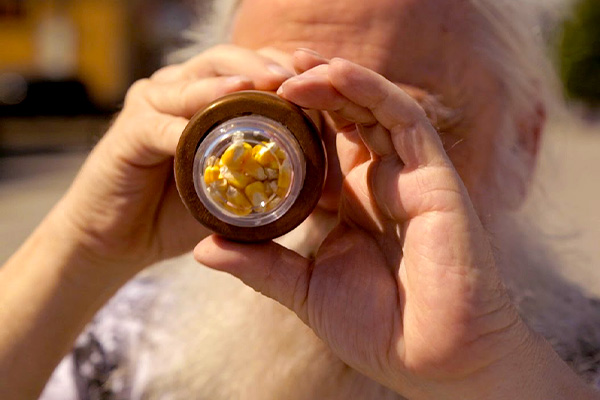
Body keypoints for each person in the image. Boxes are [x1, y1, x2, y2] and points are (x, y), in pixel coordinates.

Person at [1, 0, 600, 398]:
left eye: (389, 128)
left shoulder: (575, 366)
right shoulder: (129, 350)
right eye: (290, 124)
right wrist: (82, 251)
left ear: (522, 144)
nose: (319, 188)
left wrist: (491, 375)